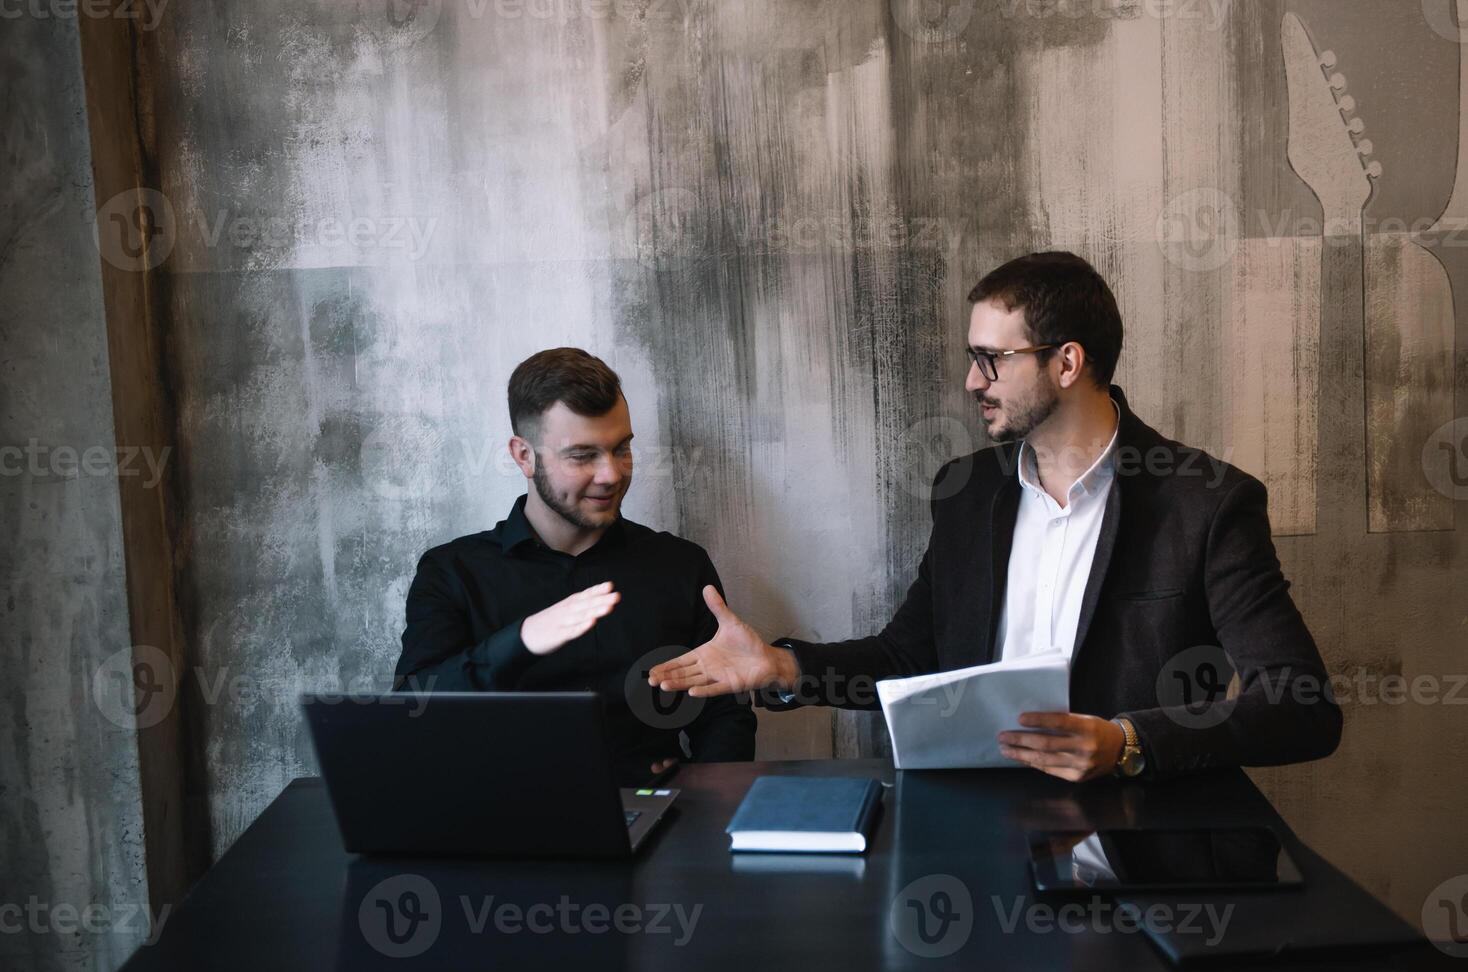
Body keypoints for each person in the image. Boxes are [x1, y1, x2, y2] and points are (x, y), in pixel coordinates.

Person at [649, 251, 1342, 782]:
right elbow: (910, 658)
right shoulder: (967, 490)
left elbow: (1299, 707)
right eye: (972, 358)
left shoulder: (1206, 502)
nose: (971, 381)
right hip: (973, 827)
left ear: (1067, 362)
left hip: (1143, 835)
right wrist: (782, 667)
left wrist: (1128, 744)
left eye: (992, 359)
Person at [396, 347, 756, 783]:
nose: (610, 474)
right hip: (497, 828)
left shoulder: (680, 565)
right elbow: (413, 713)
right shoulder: (451, 572)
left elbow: (724, 714)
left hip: (659, 822)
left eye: (621, 449)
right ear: (524, 456)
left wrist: (700, 792)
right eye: (583, 455)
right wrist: (521, 640)